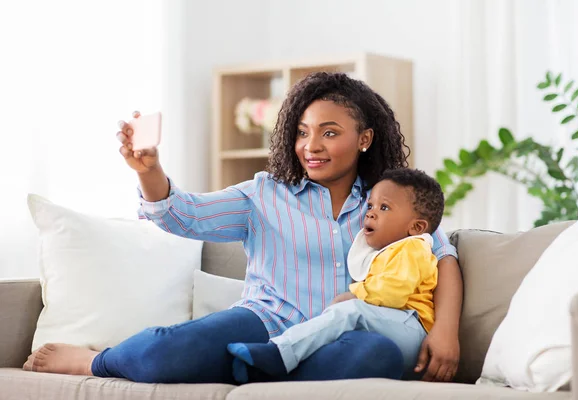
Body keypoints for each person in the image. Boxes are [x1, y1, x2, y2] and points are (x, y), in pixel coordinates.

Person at [23, 72, 463, 384]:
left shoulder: (391, 201)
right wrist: (148, 172)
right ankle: (95, 362)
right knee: (164, 354)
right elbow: (182, 214)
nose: (311, 146)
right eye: (303, 132)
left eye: (330, 133)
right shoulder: (263, 194)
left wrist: (445, 331)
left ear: (364, 138)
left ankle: (255, 371)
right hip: (265, 324)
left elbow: (442, 257)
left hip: (344, 338)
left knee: (378, 355)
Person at [227, 168, 444, 383]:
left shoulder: (413, 249)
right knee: (343, 325)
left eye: (384, 207)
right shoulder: (386, 251)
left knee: (350, 312)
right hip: (392, 326)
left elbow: (393, 291)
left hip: (413, 330)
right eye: (370, 206)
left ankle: (279, 353)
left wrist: (353, 295)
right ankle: (277, 369)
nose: (370, 213)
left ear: (416, 227)